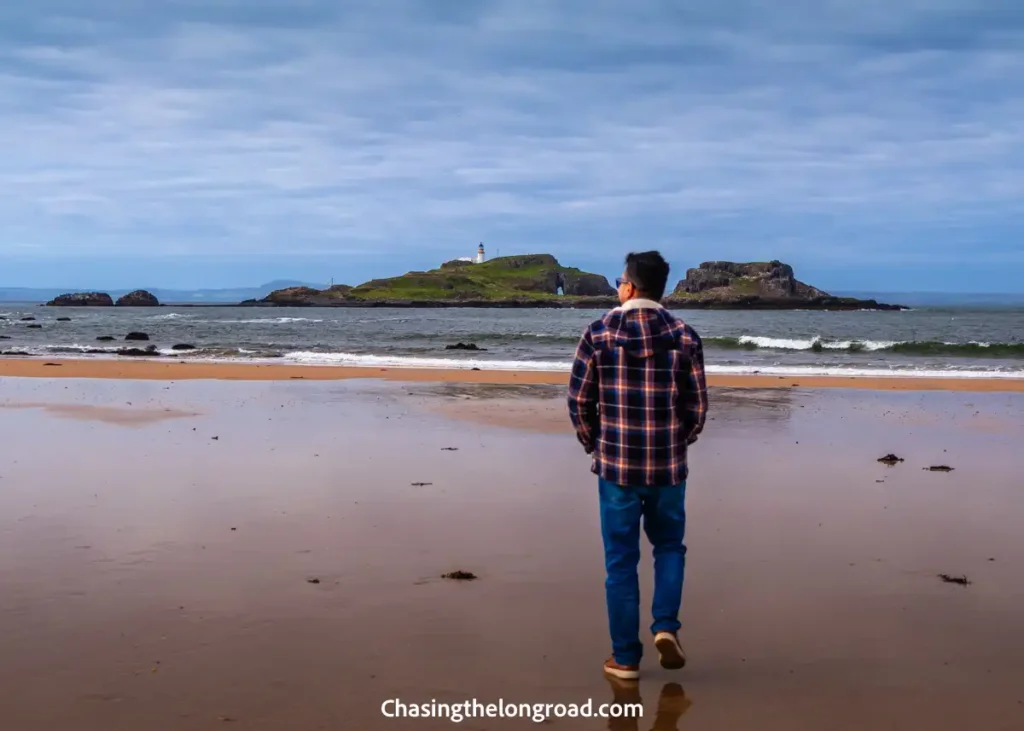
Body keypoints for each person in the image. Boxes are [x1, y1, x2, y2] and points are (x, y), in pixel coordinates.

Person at [567, 251, 708, 680]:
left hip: (617, 468)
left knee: (621, 563)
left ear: (628, 286)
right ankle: (665, 626)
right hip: (667, 467)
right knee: (669, 548)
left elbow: (579, 401)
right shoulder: (685, 335)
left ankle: (626, 658)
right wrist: (675, 442)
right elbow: (696, 406)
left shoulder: (598, 332)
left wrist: (597, 444)